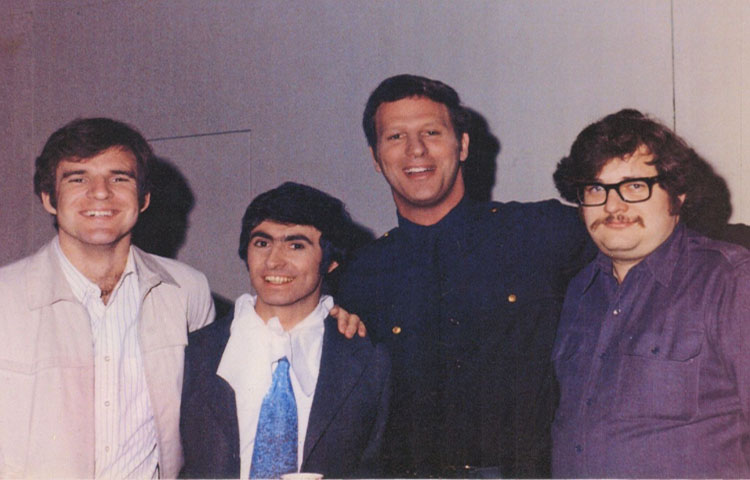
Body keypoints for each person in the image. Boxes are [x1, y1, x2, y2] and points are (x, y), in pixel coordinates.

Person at [336, 74, 595, 477]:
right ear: (375, 157)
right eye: (395, 137)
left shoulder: (539, 231)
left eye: (432, 132)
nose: (415, 149)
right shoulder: (359, 276)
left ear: (464, 145)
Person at [0, 118, 215, 478]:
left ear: (143, 198)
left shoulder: (187, 291)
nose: (100, 192)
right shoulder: (5, 298)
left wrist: (331, 318)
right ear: (49, 199)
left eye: (119, 178)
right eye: (78, 178)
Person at [551, 109, 750, 478]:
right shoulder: (579, 291)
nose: (613, 206)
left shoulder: (731, 281)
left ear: (676, 195)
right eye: (595, 189)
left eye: (635, 186)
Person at [180, 182, 391, 479]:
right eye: (262, 243)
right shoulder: (195, 352)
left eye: (296, 245)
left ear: (330, 261)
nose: (274, 261)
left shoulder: (367, 361)